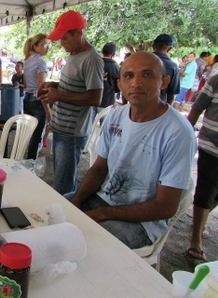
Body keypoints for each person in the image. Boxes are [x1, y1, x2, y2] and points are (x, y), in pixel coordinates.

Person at [65, 52, 197, 249]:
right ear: (119, 84)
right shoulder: (116, 116)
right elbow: (99, 168)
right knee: (53, 211)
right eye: (128, 76)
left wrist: (102, 214)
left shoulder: (178, 132)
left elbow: (166, 207)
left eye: (147, 74)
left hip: (143, 222)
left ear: (164, 82)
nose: (136, 83)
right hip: (104, 199)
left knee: (87, 243)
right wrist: (78, 199)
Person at [38, 10, 104, 195]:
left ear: (78, 33)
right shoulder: (74, 55)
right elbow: (75, 87)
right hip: (60, 127)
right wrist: (54, 85)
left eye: (65, 37)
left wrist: (59, 95)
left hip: (72, 133)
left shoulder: (92, 59)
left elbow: (95, 97)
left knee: (63, 186)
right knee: (61, 180)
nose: (62, 42)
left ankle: (68, 220)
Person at [186, 75, 218, 261]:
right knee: (206, 191)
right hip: (211, 147)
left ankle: (202, 222)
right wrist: (185, 133)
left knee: (215, 193)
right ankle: (195, 240)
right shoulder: (215, 81)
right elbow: (197, 108)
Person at [23, 34, 51, 159]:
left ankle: (26, 160)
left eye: (48, 44)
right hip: (37, 100)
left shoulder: (27, 61)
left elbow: (26, 83)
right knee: (37, 135)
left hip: (27, 98)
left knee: (28, 133)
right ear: (35, 46)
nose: (47, 47)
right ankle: (31, 163)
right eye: (44, 44)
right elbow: (41, 88)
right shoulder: (40, 62)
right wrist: (47, 109)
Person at [90, 42, 119, 125]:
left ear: (102, 52)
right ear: (113, 54)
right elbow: (117, 88)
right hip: (107, 102)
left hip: (91, 100)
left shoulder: (95, 64)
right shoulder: (115, 67)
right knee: (104, 128)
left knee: (89, 128)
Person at [152, 34, 180, 105]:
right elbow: (171, 96)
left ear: (153, 46)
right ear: (169, 48)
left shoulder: (139, 61)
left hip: (136, 106)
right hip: (158, 106)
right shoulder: (173, 67)